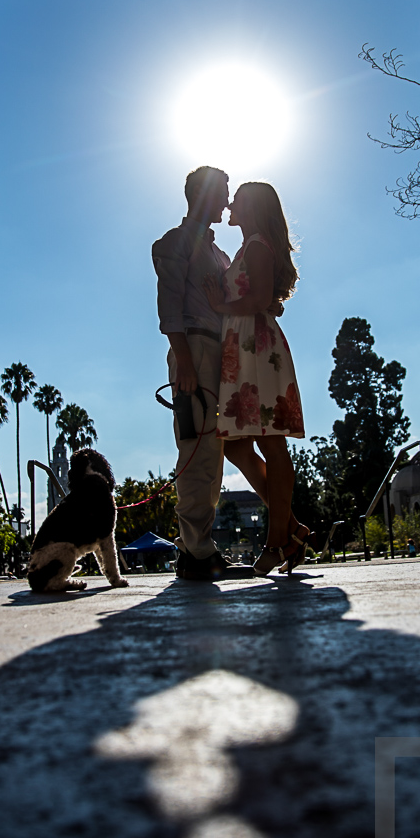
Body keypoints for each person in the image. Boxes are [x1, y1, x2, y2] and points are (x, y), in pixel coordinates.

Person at [203, 181, 309, 576]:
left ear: (255, 208)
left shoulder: (260, 244)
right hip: (243, 350)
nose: (231, 203)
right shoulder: (249, 247)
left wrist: (220, 303)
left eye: (239, 199)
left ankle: (277, 539)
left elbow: (262, 299)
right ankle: (292, 528)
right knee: (237, 447)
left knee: (272, 443)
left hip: (258, 349)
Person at [152, 166, 232, 581]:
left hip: (218, 353)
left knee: (211, 453)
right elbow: (169, 302)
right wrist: (182, 358)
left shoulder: (218, 253)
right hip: (195, 350)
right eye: (222, 192)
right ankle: (197, 552)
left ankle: (198, 547)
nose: (227, 201)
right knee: (196, 448)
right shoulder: (175, 242)